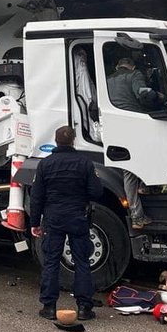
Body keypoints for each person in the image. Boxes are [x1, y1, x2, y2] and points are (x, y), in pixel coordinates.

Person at [30, 126, 103, 321]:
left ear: (55, 141)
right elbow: (97, 192)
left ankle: (49, 307)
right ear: (73, 140)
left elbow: (36, 197)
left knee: (51, 261)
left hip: (53, 219)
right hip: (78, 217)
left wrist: (35, 222)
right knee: (82, 262)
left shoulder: (45, 164)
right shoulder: (85, 163)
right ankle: (84, 308)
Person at [106, 57, 161, 228]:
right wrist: (158, 96)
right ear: (132, 65)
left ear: (117, 66)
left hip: (114, 127)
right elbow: (143, 93)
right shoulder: (134, 74)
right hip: (134, 124)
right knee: (155, 148)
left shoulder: (107, 80)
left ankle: (143, 187)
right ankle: (138, 213)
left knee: (128, 167)